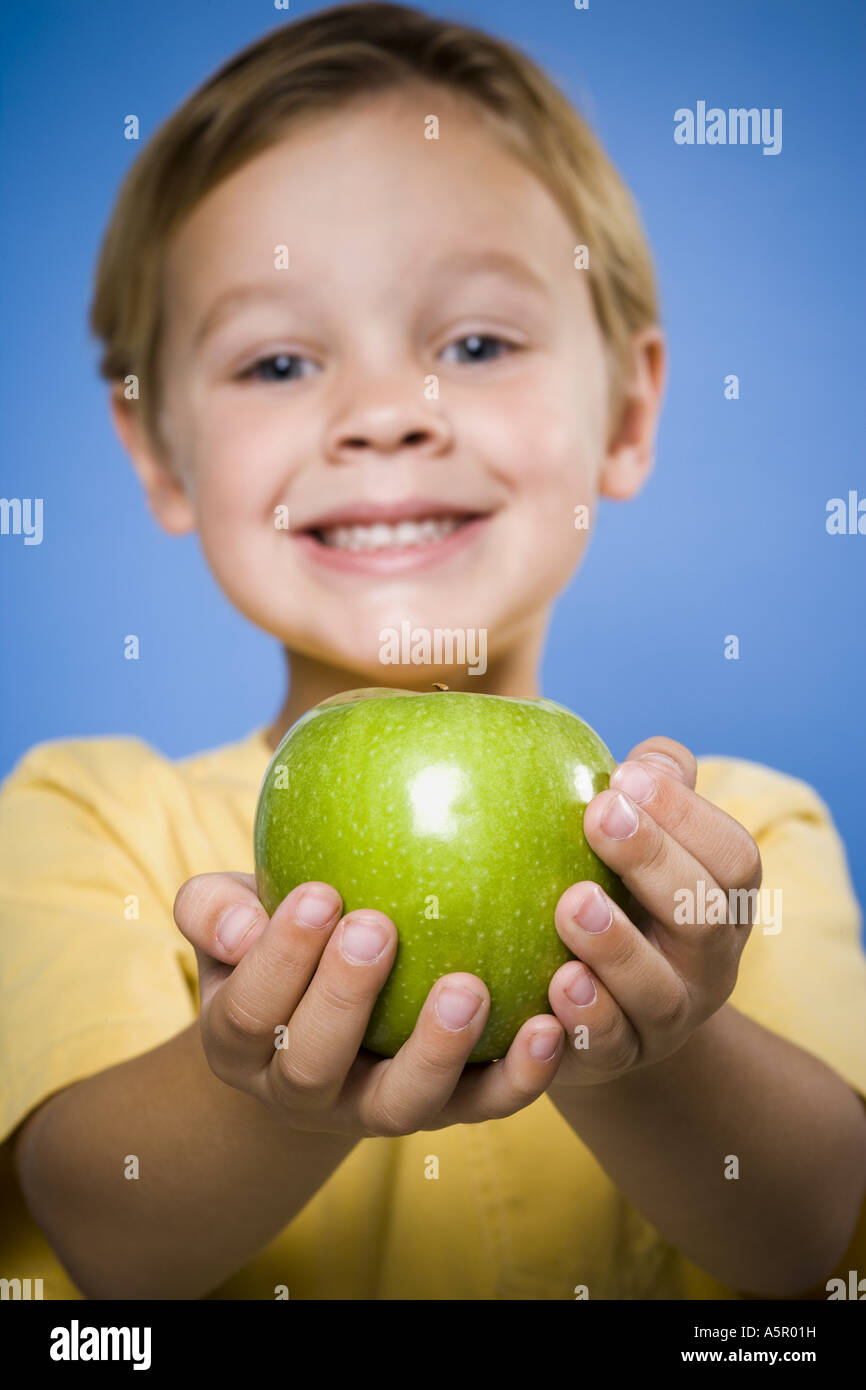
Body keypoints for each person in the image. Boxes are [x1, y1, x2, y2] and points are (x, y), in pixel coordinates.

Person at [2, 2, 865, 1301]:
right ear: (156, 453)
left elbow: (805, 1233)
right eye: (280, 359)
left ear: (627, 410)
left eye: (473, 343)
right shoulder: (81, 813)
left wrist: (664, 1047)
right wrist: (272, 1096)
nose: (387, 415)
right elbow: (99, 1223)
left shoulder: (727, 840)